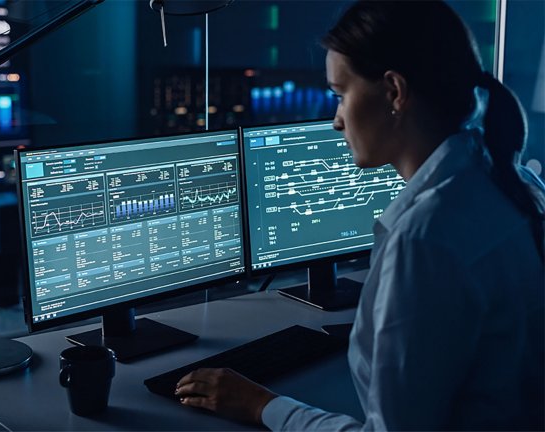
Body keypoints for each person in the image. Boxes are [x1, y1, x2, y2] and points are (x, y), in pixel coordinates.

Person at [175, 1, 545, 430]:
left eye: (341, 94)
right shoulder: (512, 183)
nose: (336, 121)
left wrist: (264, 406)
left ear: (394, 91)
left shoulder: (423, 240)